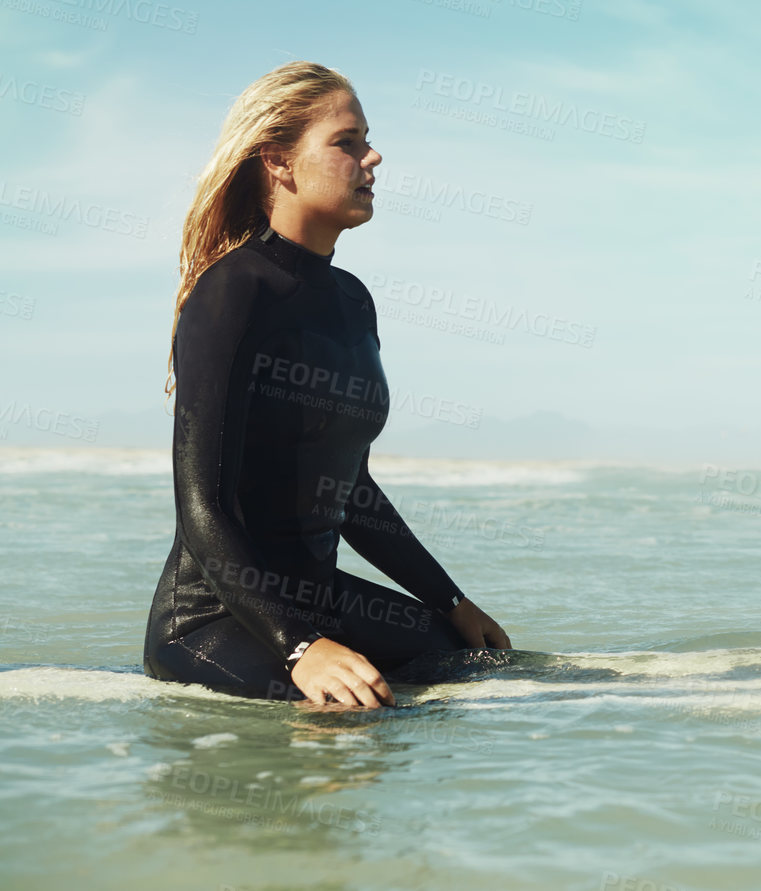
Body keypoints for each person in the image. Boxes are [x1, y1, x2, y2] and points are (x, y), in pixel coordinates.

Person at [142, 61, 510, 707]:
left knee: (478, 668)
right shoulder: (234, 291)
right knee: (352, 711)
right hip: (215, 618)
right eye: (347, 141)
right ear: (279, 161)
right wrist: (299, 647)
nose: (373, 157)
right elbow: (202, 507)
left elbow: (353, 493)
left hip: (317, 598)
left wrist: (450, 600)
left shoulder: (353, 301)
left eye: (366, 139)